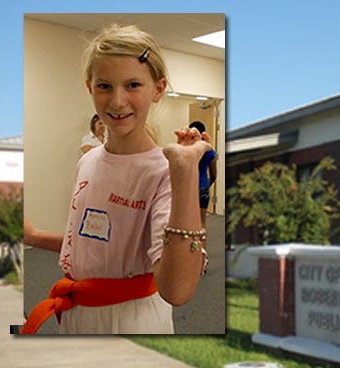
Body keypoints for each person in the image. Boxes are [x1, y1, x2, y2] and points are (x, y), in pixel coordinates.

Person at [22, 24, 211, 334]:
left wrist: (185, 173)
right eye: (105, 86)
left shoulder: (163, 170)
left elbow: (177, 290)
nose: (117, 101)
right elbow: (97, 247)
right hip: (78, 312)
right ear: (89, 88)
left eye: (133, 85)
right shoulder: (87, 162)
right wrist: (31, 235)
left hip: (131, 320)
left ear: (158, 89)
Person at [188, 121, 217, 229]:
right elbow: (214, 175)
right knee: (202, 223)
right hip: (203, 186)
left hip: (189, 187)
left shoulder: (188, 150)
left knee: (188, 222)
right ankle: (202, 245)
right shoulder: (210, 151)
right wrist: (206, 186)